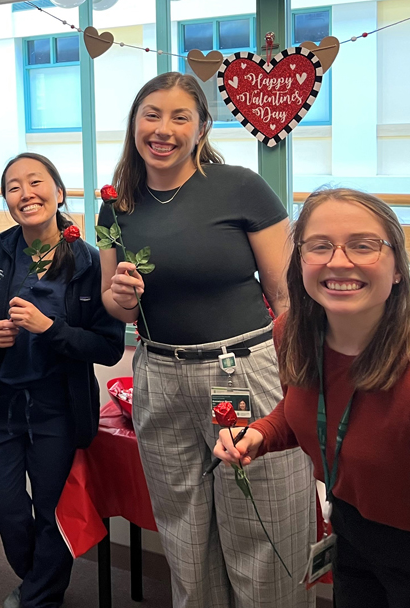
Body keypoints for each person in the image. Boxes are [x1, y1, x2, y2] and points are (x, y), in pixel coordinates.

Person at [98, 72, 315, 607]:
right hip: (159, 376)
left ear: (202, 128)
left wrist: (297, 381)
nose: (163, 129)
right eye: (151, 114)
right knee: (184, 533)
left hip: (240, 371)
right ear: (134, 123)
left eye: (180, 117)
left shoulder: (239, 185)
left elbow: (286, 296)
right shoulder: (115, 204)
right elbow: (111, 299)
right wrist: (122, 298)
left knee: (263, 527)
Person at [214, 188, 410, 608]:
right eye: (320, 246)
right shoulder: (291, 333)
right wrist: (259, 434)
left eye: (363, 246)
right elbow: (301, 411)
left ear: (398, 267)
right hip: (348, 527)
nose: (339, 261)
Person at [0, 152, 125, 607]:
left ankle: (39, 597)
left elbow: (108, 345)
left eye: (36, 182)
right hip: (1, 402)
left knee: (53, 512)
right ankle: (40, 581)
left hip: (58, 405)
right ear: (7, 201)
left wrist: (50, 328)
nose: (26, 193)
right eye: (13, 187)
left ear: (59, 193)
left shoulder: (91, 262)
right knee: (4, 504)